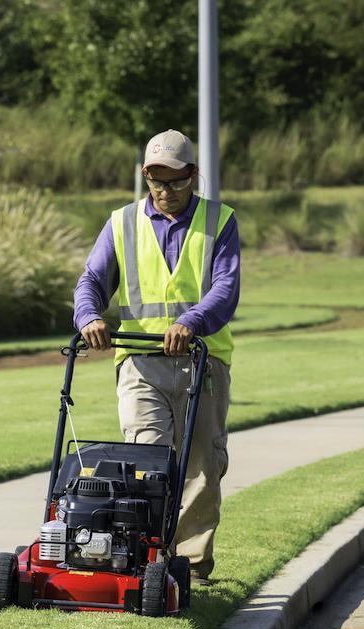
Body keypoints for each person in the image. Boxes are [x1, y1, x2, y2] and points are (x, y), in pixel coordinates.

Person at [73, 128, 240, 584]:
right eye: (156, 181)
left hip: (202, 361)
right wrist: (89, 316)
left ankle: (191, 570)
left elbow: (225, 290)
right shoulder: (122, 222)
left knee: (203, 467)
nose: (165, 191)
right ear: (145, 176)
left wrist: (192, 322)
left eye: (175, 181)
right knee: (147, 462)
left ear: (194, 176)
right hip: (140, 362)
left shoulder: (219, 221)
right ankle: (148, 562)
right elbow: (91, 279)